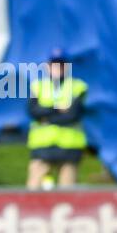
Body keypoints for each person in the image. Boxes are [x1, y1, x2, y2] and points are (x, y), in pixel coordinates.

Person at [27, 56, 87, 188]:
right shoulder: (38, 86)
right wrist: (57, 108)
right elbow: (34, 112)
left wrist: (47, 117)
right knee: (34, 187)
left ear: (66, 67)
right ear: (47, 66)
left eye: (61, 65)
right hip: (42, 146)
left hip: (69, 146)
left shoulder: (77, 86)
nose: (57, 69)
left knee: (67, 189)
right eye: (54, 65)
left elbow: (72, 115)